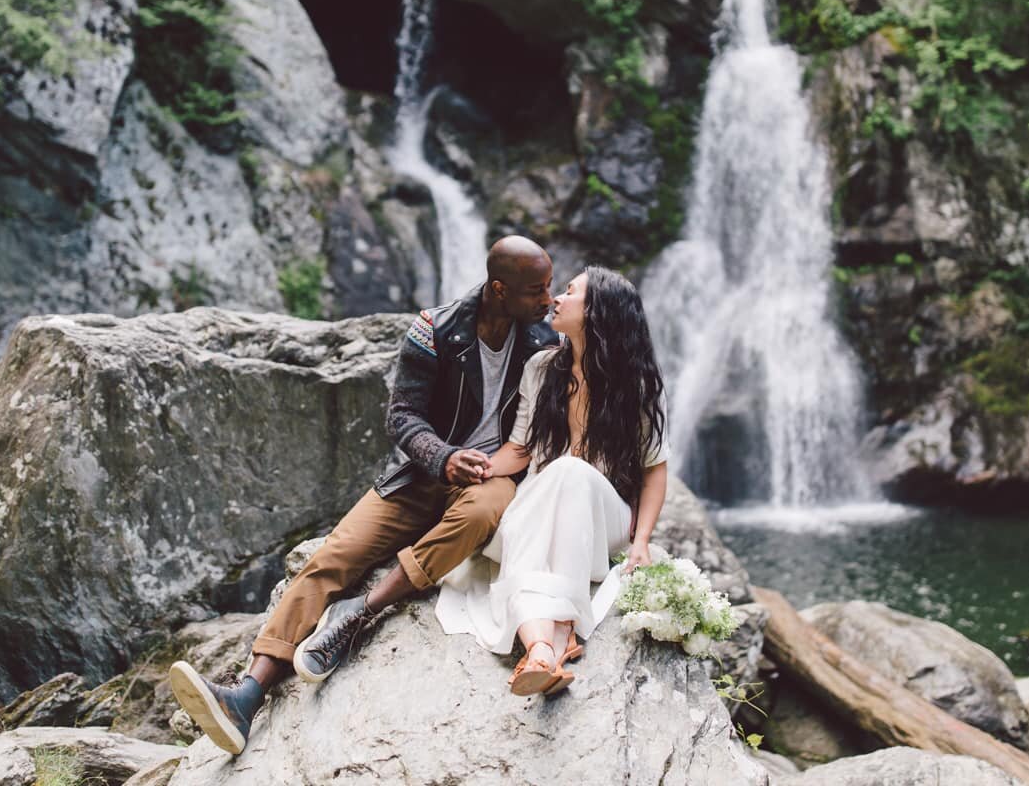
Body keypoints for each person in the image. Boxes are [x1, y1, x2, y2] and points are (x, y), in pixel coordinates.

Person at [169, 236, 557, 753]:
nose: (548, 299)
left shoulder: (544, 340)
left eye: (551, 288)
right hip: (420, 477)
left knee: (488, 507)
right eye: (537, 290)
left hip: (491, 479)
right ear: (499, 289)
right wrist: (443, 457)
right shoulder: (435, 330)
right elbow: (401, 416)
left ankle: (361, 614)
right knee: (334, 556)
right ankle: (246, 694)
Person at [436, 266, 669, 695]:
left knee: (568, 471)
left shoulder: (634, 384)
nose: (555, 299)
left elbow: (654, 468)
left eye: (569, 292)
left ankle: (543, 646)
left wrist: (641, 543)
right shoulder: (542, 367)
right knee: (552, 485)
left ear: (598, 312)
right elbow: (520, 449)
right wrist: (475, 468)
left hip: (603, 521)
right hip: (541, 505)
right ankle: (546, 648)